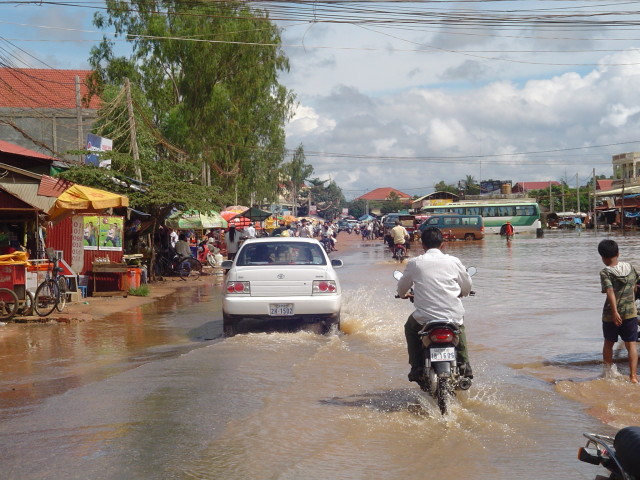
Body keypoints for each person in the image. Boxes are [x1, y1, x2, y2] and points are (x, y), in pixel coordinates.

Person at [397, 227, 474, 382]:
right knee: (460, 326)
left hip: (424, 317)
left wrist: (403, 295)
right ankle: (465, 363)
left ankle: (415, 366)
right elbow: (467, 284)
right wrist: (463, 293)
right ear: (443, 244)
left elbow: (402, 287)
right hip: (452, 315)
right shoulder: (453, 261)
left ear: (422, 245)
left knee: (410, 328)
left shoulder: (415, 263)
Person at [598, 239, 638, 383]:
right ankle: (633, 376)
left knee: (609, 343)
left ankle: (608, 373)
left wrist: (615, 312)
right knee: (631, 344)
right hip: (630, 313)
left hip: (611, 315)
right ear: (618, 253)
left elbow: (609, 291)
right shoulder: (630, 267)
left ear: (603, 257)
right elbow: (637, 283)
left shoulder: (605, 272)